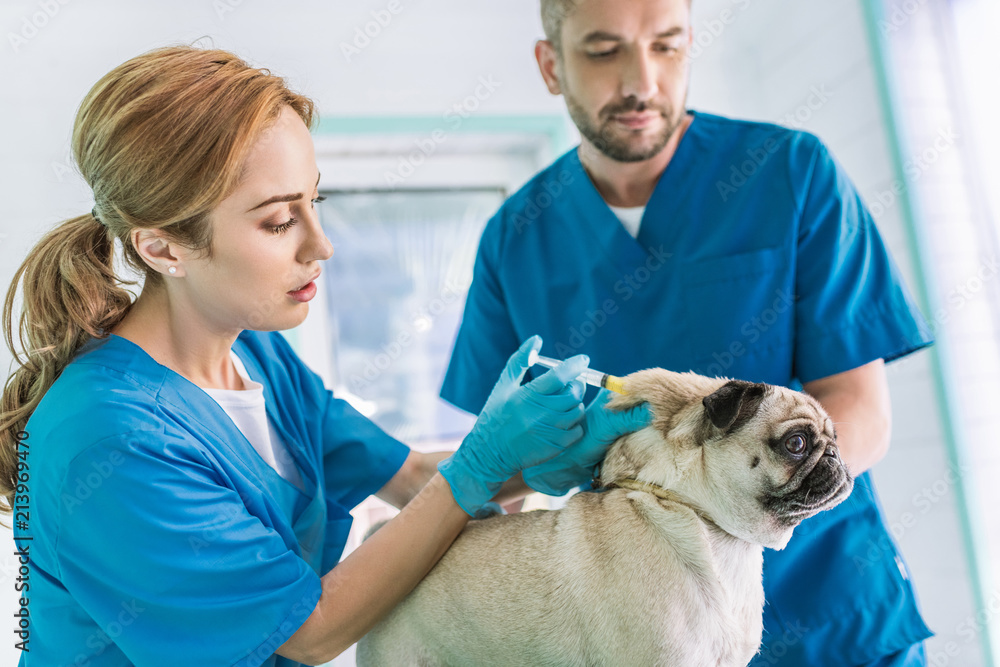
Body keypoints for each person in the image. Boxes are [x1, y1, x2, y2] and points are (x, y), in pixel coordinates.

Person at [0, 46, 650, 666]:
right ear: (163, 249)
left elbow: (412, 479)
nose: (322, 244)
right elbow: (308, 631)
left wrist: (545, 455)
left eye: (317, 201)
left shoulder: (258, 355)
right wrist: (486, 458)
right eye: (279, 222)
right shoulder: (108, 439)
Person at [441, 0, 935, 665]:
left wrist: (748, 489)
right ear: (551, 64)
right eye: (603, 50)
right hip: (644, 631)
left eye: (667, 47)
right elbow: (501, 463)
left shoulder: (790, 173)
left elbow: (862, 411)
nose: (641, 81)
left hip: (824, 607)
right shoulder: (514, 240)